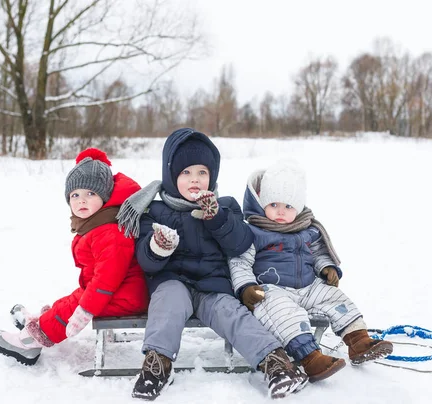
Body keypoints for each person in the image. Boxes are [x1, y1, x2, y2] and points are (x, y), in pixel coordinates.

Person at [117, 128, 308, 400]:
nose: (195, 180)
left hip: (213, 286)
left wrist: (217, 217)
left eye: (202, 173)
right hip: (172, 282)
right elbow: (146, 262)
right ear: (171, 175)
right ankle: (157, 365)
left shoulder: (226, 206)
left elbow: (241, 243)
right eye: (186, 173)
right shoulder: (155, 210)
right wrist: (158, 248)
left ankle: (276, 364)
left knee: (232, 314)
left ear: (212, 175)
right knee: (167, 304)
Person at [229, 161, 393, 383]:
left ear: (298, 208)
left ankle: (359, 341)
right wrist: (246, 287)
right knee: (284, 314)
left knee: (335, 297)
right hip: (271, 290)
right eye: (274, 204)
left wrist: (326, 267)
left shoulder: (307, 229)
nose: (280, 211)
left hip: (308, 285)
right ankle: (311, 358)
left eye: (288, 206)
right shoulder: (253, 231)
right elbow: (240, 262)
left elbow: (318, 253)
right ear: (261, 202)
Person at [0, 148, 149, 366]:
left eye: (90, 194)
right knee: (72, 299)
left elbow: (106, 280)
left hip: (125, 296)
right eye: (75, 195)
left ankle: (30, 342)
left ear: (104, 197)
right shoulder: (96, 222)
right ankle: (38, 322)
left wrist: (85, 310)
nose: (81, 201)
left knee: (74, 306)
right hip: (114, 290)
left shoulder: (110, 231)